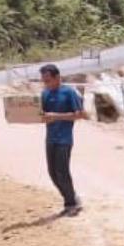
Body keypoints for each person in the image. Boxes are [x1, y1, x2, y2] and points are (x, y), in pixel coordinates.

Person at [39, 64, 88, 217]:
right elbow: (42, 114)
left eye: (48, 80)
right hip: (50, 138)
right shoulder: (45, 94)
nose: (46, 84)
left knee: (62, 172)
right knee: (52, 173)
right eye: (44, 81)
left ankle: (71, 204)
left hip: (64, 139)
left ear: (57, 77)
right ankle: (71, 198)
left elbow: (80, 114)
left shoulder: (69, 93)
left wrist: (56, 116)